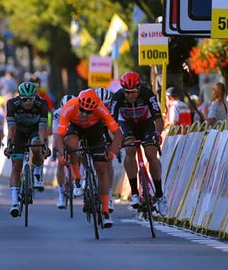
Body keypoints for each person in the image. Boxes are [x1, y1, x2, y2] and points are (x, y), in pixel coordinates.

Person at [56, 89, 123, 227]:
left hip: (94, 129)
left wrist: (112, 152)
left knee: (102, 169)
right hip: (75, 128)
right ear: (78, 104)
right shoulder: (70, 106)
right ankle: (77, 179)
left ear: (95, 109)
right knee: (71, 143)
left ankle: (105, 211)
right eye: (82, 110)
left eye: (89, 112)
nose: (85, 114)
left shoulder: (101, 109)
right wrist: (63, 154)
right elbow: (59, 136)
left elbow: (117, 134)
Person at [110, 71, 166, 215]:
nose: (130, 95)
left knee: (151, 154)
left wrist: (157, 134)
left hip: (145, 125)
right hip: (127, 126)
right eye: (127, 92)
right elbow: (111, 123)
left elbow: (159, 119)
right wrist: (115, 142)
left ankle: (160, 195)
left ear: (139, 89)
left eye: (133, 92)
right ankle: (134, 193)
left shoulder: (147, 94)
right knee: (129, 150)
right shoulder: (117, 98)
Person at [4, 81, 50, 218]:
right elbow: (11, 129)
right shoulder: (12, 104)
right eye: (25, 99)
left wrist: (44, 146)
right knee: (16, 166)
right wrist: (9, 146)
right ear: (20, 98)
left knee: (37, 146)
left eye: (31, 99)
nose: (28, 102)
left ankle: (37, 171)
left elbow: (43, 129)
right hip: (18, 132)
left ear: (35, 97)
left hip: (34, 131)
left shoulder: (42, 104)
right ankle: (14, 203)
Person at [51, 94, 74, 209]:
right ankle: (61, 193)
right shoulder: (57, 114)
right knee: (61, 160)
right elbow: (56, 135)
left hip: (74, 134)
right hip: (61, 134)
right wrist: (56, 150)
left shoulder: (78, 111)